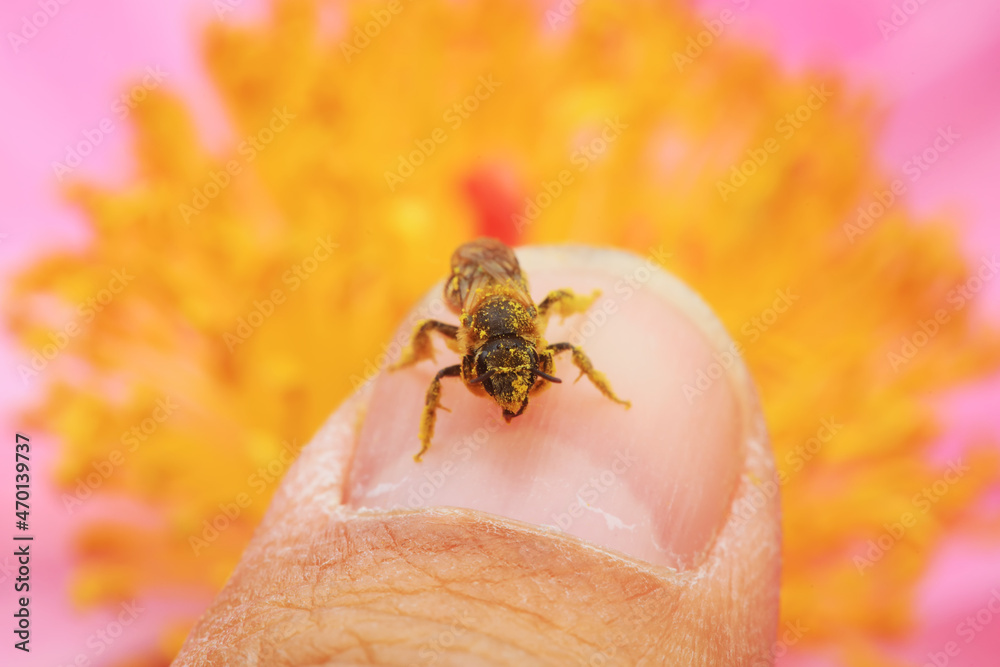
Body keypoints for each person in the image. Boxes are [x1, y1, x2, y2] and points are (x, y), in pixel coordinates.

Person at [174, 247, 781, 665]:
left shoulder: (533, 327)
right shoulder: (461, 347)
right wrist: (427, 442)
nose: (514, 395)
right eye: (496, 380)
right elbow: (445, 372)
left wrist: (606, 373)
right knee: (431, 373)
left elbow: (557, 312)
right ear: (475, 357)